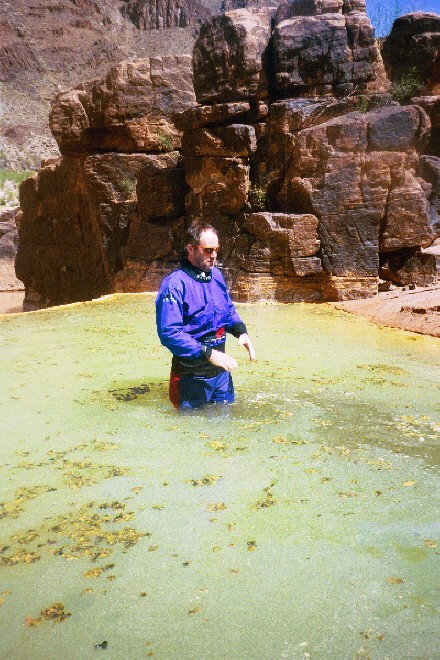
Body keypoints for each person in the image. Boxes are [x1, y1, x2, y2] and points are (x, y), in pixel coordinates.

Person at [156, 221, 256, 409]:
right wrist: (209, 353)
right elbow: (169, 333)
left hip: (221, 377)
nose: (214, 255)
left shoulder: (217, 276)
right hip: (190, 379)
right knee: (192, 433)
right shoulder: (174, 284)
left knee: (225, 428)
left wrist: (240, 331)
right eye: (208, 250)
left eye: (216, 250)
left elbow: (227, 310)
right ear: (190, 249)